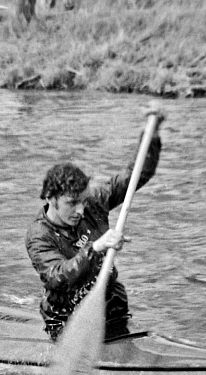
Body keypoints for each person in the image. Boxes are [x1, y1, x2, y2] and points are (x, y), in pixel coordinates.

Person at [26, 104, 165, 341]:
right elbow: (58, 276)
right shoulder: (39, 235)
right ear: (51, 198)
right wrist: (96, 247)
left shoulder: (93, 202)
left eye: (83, 201)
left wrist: (151, 137)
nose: (81, 210)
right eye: (72, 203)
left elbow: (135, 175)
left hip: (110, 303)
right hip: (66, 315)